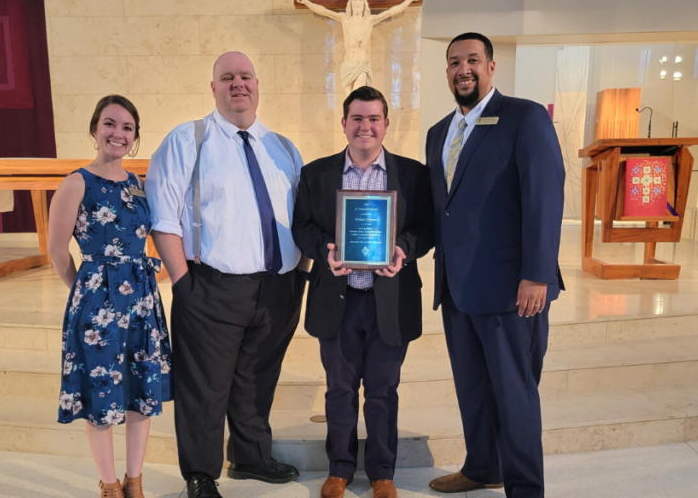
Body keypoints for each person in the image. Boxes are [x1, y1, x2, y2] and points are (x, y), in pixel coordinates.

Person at [145, 51, 308, 498]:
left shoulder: (284, 147)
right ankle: (200, 474)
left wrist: (301, 275)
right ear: (213, 87)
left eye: (246, 76)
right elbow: (163, 217)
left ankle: (252, 457)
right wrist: (183, 282)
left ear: (258, 84)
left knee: (259, 376)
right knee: (205, 385)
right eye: (227, 77)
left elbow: (305, 218)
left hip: (279, 287)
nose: (238, 84)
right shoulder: (189, 139)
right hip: (211, 286)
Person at [425, 33, 565, 498]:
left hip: (511, 287)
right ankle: (482, 467)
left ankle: (525, 489)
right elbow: (441, 211)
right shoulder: (438, 132)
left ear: (491, 66)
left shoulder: (523, 117)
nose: (462, 69)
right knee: (472, 388)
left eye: (472, 60)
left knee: (515, 395)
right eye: (453, 62)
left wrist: (538, 273)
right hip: (457, 288)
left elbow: (544, 196)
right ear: (446, 71)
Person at [292, 86, 434, 498]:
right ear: (344, 124)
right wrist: (326, 251)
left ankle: (381, 473)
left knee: (383, 390)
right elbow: (302, 227)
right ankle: (339, 469)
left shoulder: (413, 174)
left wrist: (404, 249)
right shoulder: (316, 174)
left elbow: (426, 229)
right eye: (357, 118)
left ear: (386, 125)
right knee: (338, 389)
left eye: (373, 119)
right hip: (337, 297)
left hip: (390, 299)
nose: (365, 127)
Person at [48, 95, 173, 498]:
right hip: (97, 306)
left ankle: (135, 481)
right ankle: (109, 485)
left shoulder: (139, 184)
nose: (117, 133)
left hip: (142, 303)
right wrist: (86, 296)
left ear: (135, 137)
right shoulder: (77, 182)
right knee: (100, 394)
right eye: (109, 124)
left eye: (127, 128)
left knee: (141, 392)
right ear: (95, 129)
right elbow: (55, 250)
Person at [296, 0, 422, 93]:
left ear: (364, 3)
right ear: (350, 3)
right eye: (355, 0)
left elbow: (391, 12)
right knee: (348, 103)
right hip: (347, 65)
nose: (357, 3)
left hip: (361, 65)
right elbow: (324, 11)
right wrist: (306, 2)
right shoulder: (344, 19)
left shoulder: (369, 20)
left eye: (360, 0)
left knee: (356, 97)